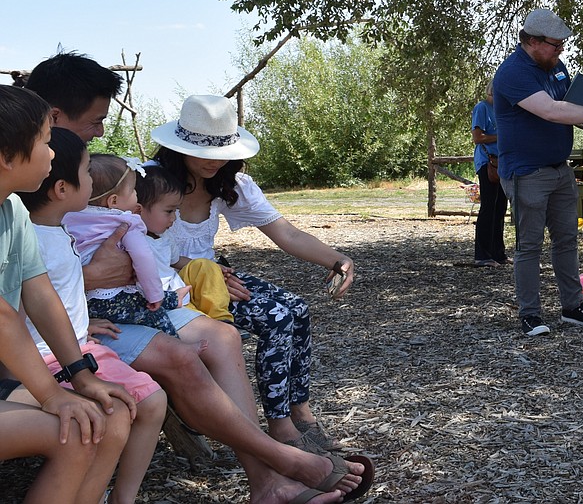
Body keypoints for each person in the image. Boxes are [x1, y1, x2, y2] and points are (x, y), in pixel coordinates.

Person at [26, 52, 373, 503]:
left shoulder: (207, 185)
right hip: (110, 306)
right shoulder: (94, 183)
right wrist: (93, 288)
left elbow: (280, 231)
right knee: (187, 355)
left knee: (241, 332)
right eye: (96, 121)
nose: (101, 131)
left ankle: (281, 443)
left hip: (167, 288)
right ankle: (279, 461)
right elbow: (43, 275)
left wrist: (333, 258)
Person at [151, 94, 356, 452]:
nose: (215, 162)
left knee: (297, 309)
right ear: (178, 147)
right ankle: (279, 427)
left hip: (215, 280)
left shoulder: (230, 186)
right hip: (167, 286)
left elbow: (286, 233)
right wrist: (200, 271)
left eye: (222, 153)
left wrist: (336, 259)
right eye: (204, 152)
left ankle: (301, 411)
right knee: (277, 318)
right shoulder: (149, 184)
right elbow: (138, 248)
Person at [16, 127, 167, 504]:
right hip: (45, 356)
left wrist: (80, 322)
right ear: (62, 189)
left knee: (149, 402)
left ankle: (118, 496)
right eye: (86, 172)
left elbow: (57, 297)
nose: (90, 181)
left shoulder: (54, 228)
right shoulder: (30, 237)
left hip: (69, 343)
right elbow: (24, 307)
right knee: (125, 409)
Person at [0, 86, 133, 504]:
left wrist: (80, 374)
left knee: (102, 418)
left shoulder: (13, 211)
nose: (53, 153)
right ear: (6, 155)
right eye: (43, 141)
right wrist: (53, 395)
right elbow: (3, 317)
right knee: (74, 430)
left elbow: (39, 291)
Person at [493, 8, 583, 336]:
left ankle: (573, 307)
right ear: (531, 42)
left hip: (559, 170)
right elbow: (550, 111)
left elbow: (568, 107)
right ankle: (530, 314)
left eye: (561, 46)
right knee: (529, 245)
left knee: (567, 240)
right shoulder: (512, 73)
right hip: (527, 173)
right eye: (555, 45)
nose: (561, 51)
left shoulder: (556, 67)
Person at [64, 154, 184, 337]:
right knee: (156, 315)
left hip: (80, 303)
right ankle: (179, 344)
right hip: (115, 296)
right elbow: (143, 257)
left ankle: (174, 298)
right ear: (113, 201)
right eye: (134, 191)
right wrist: (154, 295)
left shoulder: (69, 218)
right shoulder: (125, 222)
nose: (137, 196)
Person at [137, 164, 234, 323]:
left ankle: (220, 317)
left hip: (179, 290)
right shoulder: (132, 240)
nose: (174, 218)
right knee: (195, 319)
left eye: (175, 211)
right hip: (160, 302)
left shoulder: (164, 236)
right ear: (137, 211)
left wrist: (215, 270)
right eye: (169, 211)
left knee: (205, 265)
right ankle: (207, 323)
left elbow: (176, 260)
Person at [471, 84, 508, 268]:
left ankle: (498, 253)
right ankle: (482, 254)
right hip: (488, 162)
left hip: (503, 162)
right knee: (488, 207)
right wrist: (501, 136)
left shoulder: (502, 110)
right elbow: (478, 137)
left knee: (500, 207)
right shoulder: (482, 108)